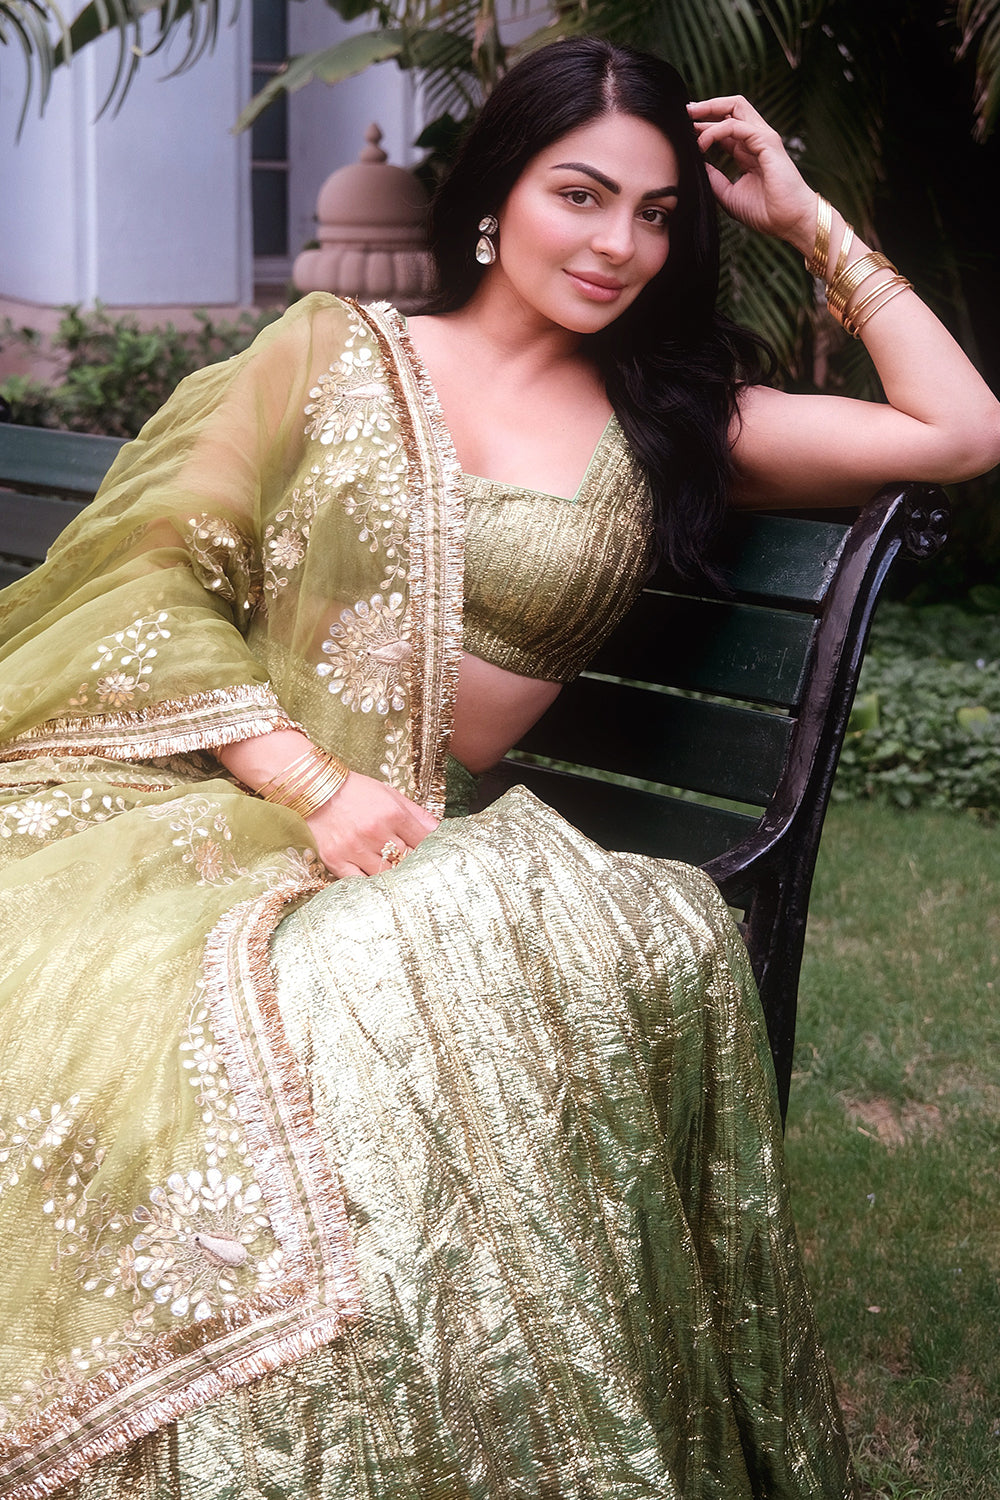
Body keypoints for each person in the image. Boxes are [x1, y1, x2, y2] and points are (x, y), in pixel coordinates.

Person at [1, 36, 997, 1500]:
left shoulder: (675, 424)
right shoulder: (328, 354)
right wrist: (309, 785)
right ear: (495, 197)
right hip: (225, 796)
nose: (618, 244)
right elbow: (154, 574)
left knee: (414, 978)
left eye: (656, 214)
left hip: (416, 838)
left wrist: (809, 220)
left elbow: (962, 432)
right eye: (579, 195)